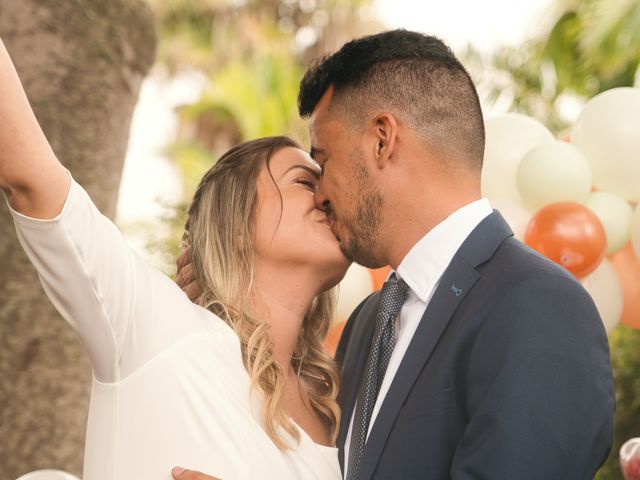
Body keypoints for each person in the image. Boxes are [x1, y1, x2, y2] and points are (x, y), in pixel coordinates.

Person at [172, 30, 615, 480]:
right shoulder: (368, 324)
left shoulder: (539, 305)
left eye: (323, 161)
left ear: (382, 139)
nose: (321, 193)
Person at [0, 37, 351, 480]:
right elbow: (29, 176)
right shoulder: (158, 325)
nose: (327, 195)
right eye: (304, 180)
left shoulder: (341, 411)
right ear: (237, 218)